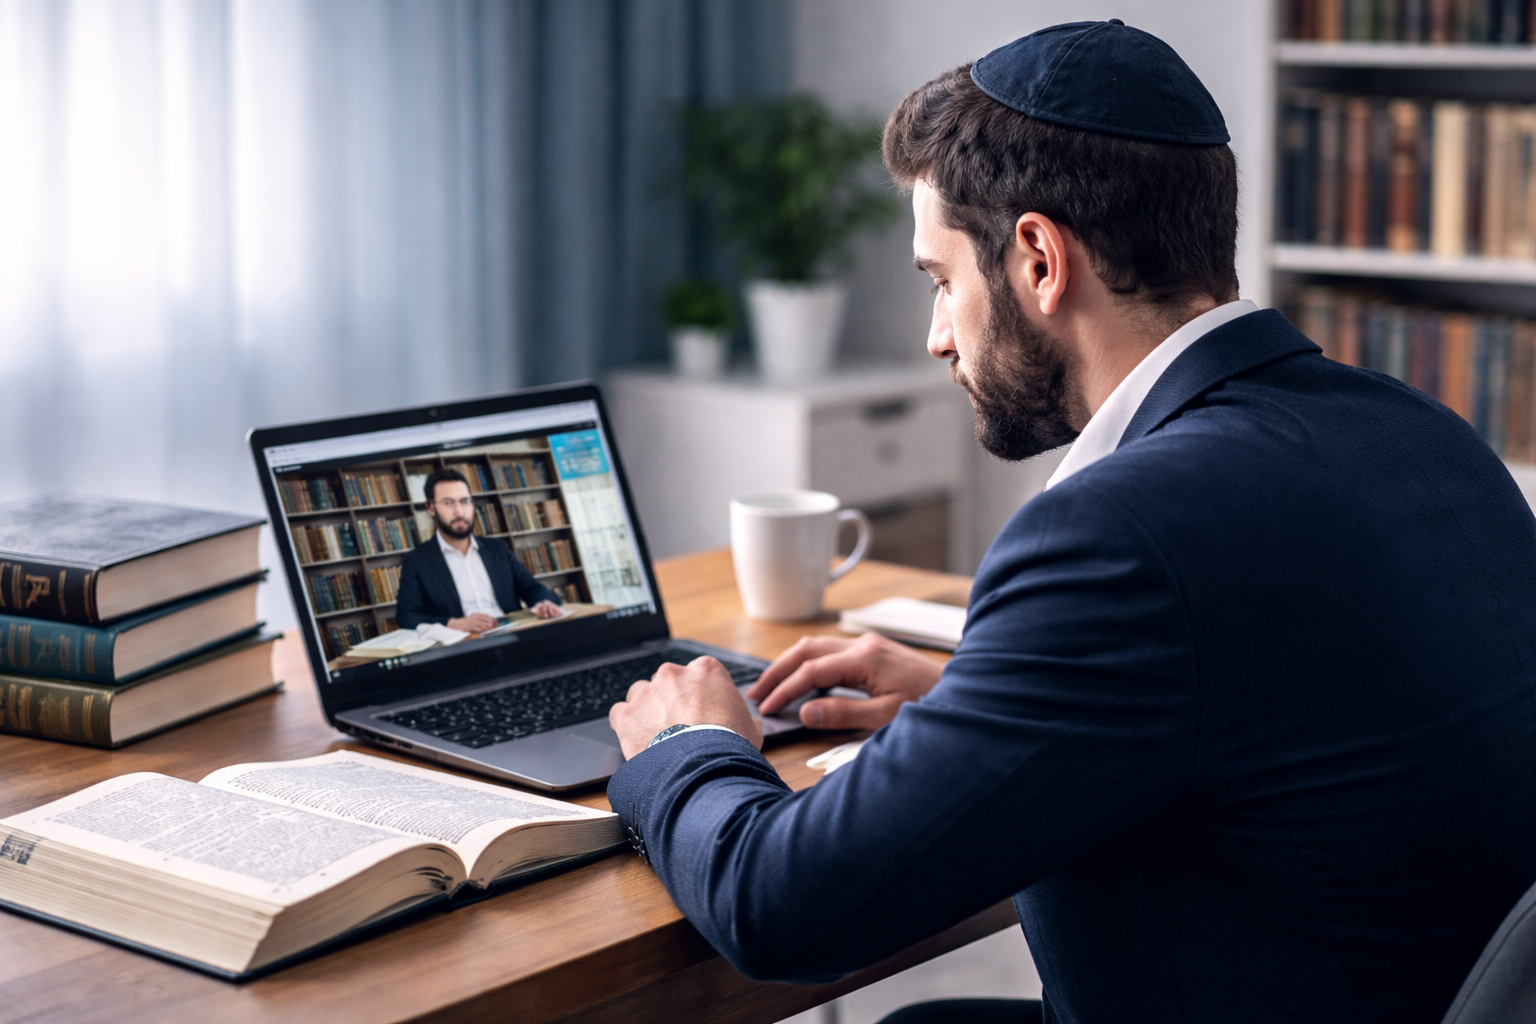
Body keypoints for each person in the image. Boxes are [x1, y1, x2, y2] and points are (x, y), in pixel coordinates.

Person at [603, 20, 1536, 1024]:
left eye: (941, 281)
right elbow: (1282, 697)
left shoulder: (1119, 534)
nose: (935, 337)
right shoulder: (1423, 434)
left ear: (1039, 260)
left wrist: (688, 745)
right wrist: (978, 698)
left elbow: (779, 907)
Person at [394, 468, 562, 633]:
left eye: (465, 501)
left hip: (512, 636)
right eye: (448, 502)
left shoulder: (497, 548)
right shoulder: (416, 561)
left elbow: (531, 588)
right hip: (464, 646)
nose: (459, 510)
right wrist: (454, 623)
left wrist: (544, 603)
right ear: (431, 508)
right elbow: (407, 616)